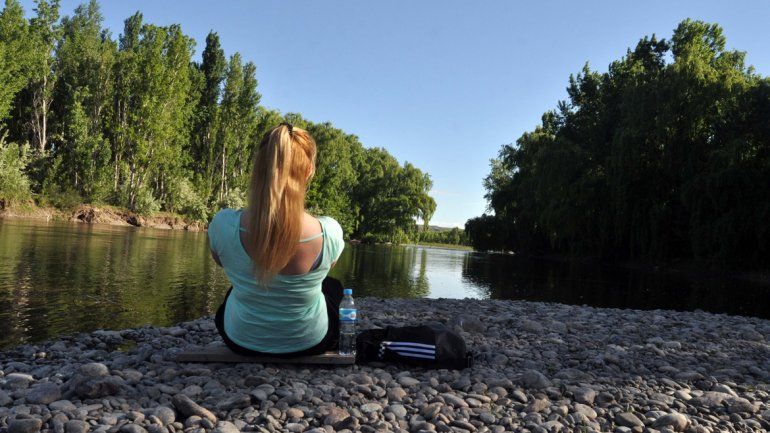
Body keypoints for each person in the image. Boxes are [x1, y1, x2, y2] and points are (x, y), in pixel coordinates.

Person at [208, 123, 346, 357]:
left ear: (258, 168)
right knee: (332, 287)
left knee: (238, 286)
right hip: (309, 342)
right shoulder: (329, 231)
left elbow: (220, 260)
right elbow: (328, 267)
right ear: (309, 171)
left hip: (241, 340)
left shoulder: (224, 224)